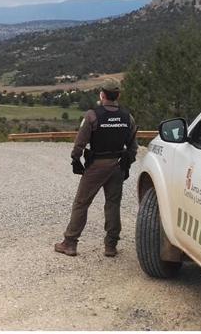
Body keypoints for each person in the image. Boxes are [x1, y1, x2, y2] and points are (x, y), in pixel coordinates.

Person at [54, 78, 138, 257]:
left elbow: (80, 143)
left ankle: (70, 243)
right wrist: (126, 164)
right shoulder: (127, 117)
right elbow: (133, 147)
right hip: (117, 166)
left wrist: (75, 160)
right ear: (118, 95)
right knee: (113, 204)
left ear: (102, 94)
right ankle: (111, 245)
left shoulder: (92, 115)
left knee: (81, 203)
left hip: (96, 166)